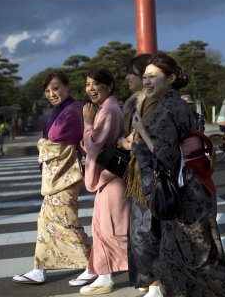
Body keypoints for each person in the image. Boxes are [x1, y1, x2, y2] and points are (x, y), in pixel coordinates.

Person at [131, 54, 225, 297]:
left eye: (153, 76)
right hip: (191, 186)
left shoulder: (167, 108)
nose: (147, 82)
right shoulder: (177, 104)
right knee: (176, 256)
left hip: (185, 194)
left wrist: (141, 134)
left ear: (171, 78)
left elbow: (164, 157)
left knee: (198, 258)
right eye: (145, 77)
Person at [12, 70, 90, 285]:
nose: (51, 93)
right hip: (57, 176)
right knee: (46, 222)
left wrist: (43, 145)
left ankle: (93, 265)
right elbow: (51, 142)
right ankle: (40, 268)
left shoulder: (73, 109)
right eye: (47, 91)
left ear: (67, 86)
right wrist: (45, 145)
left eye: (55, 88)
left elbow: (55, 142)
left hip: (65, 175)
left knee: (66, 220)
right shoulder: (60, 110)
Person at [72, 68, 130, 296]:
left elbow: (95, 143)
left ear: (109, 86)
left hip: (112, 177)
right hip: (110, 176)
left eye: (96, 84)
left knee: (111, 228)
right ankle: (103, 274)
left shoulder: (110, 109)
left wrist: (87, 123)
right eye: (88, 85)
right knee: (102, 227)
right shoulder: (108, 108)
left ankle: (147, 274)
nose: (91, 89)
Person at [116, 54, 162, 296]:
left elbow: (146, 139)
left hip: (149, 175)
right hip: (140, 174)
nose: (128, 78)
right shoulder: (139, 102)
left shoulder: (152, 103)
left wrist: (127, 144)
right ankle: (150, 280)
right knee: (141, 230)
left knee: (144, 231)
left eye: (132, 73)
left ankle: (155, 282)